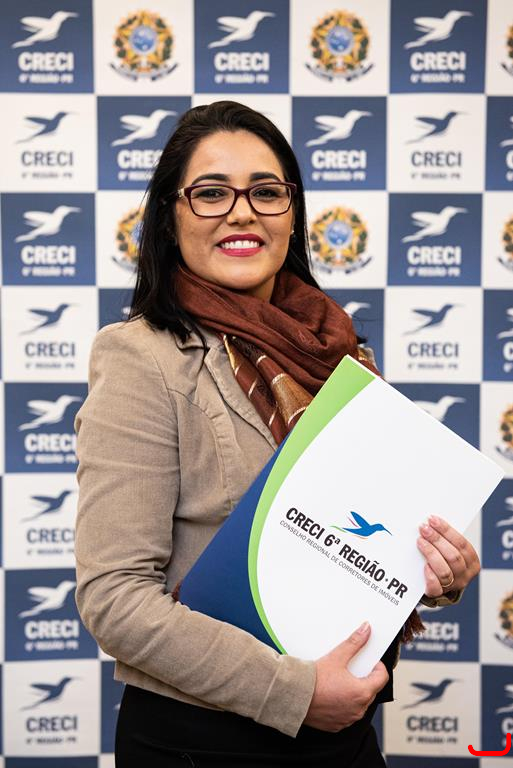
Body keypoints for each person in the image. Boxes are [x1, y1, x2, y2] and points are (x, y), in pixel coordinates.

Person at [74, 101, 480, 768]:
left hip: (345, 736)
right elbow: (114, 599)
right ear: (171, 219)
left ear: (292, 215)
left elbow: (355, 535)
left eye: (265, 192)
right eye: (211, 193)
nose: (242, 212)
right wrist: (295, 692)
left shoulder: (338, 353)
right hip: (204, 744)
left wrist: (433, 571)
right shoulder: (140, 358)